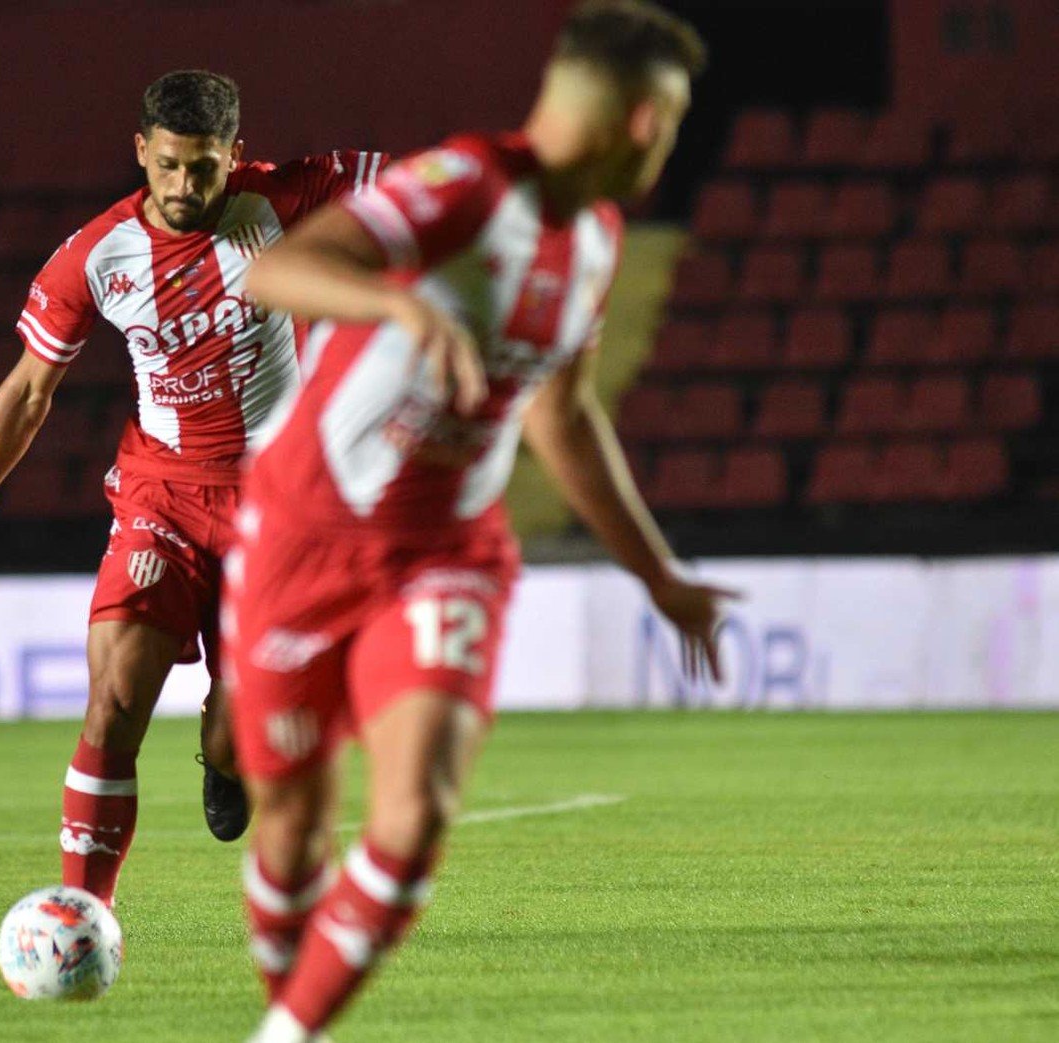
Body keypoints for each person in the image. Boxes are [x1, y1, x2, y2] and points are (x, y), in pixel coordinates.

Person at [226, 4, 734, 1039]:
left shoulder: (593, 238)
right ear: (642, 122)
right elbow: (272, 270)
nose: (668, 146)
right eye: (673, 123)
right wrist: (402, 305)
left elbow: (561, 412)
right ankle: (290, 1011)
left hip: (446, 552)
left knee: (411, 818)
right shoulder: (463, 187)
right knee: (287, 823)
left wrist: (656, 573)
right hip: (301, 529)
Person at [0, 69, 389, 909]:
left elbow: (431, 185)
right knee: (113, 701)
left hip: (277, 510)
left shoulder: (285, 197)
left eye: (203, 168)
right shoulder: (96, 256)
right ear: (140, 152)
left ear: (233, 156)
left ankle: (224, 752)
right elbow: (29, 391)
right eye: (168, 165)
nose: (183, 186)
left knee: (242, 727)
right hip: (160, 499)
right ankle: (79, 912)